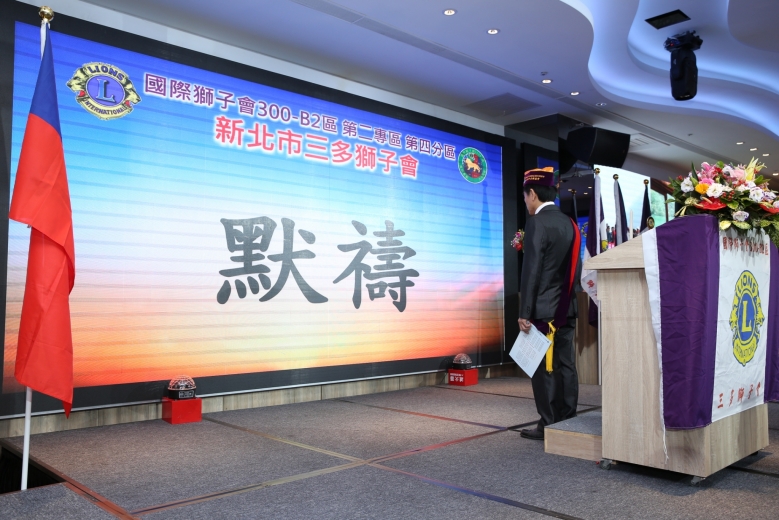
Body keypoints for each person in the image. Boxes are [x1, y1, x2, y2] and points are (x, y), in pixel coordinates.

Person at [518, 167, 581, 440]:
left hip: (544, 311)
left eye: (525, 196)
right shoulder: (571, 223)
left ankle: (548, 424)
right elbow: (577, 269)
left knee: (543, 368)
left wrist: (525, 312)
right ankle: (568, 419)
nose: (525, 202)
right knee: (565, 364)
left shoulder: (537, 223)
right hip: (567, 308)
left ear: (532, 193)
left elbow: (531, 270)